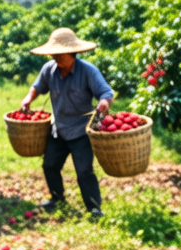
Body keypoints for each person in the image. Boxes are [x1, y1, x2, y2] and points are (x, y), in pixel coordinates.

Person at [20, 27, 113, 218]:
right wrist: (28, 98)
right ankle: (57, 199)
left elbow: (106, 92)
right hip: (59, 130)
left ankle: (94, 208)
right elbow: (37, 87)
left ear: (72, 53)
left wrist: (104, 103)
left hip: (81, 132)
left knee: (84, 171)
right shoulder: (49, 70)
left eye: (60, 56)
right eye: (54, 55)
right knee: (50, 165)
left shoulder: (88, 71)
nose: (56, 59)